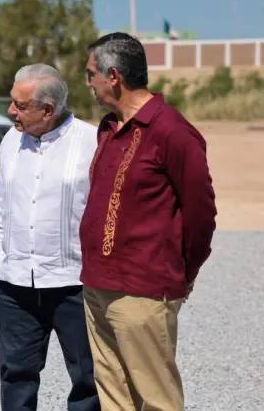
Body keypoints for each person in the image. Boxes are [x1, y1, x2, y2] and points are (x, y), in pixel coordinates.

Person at [80, 32, 217, 410]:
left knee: (156, 399)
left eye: (90, 73)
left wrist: (181, 274)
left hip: (143, 290)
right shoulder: (109, 128)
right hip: (97, 285)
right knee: (113, 395)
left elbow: (201, 214)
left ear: (113, 76)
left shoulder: (171, 130)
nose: (87, 82)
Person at [0, 63, 101, 411]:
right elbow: (1, 205)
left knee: (89, 380)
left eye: (20, 106)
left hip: (75, 285)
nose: (11, 111)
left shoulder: (93, 141)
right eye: (12, 102)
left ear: (48, 110)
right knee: (16, 375)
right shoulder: (10, 141)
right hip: (14, 286)